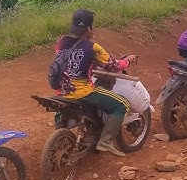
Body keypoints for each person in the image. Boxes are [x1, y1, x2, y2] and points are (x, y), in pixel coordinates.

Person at [55, 9, 135, 157]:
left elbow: (73, 63)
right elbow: (114, 66)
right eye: (93, 27)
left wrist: (91, 66)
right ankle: (106, 141)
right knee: (122, 105)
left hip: (62, 90)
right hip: (83, 92)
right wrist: (128, 60)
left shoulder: (61, 43)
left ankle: (64, 130)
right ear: (89, 29)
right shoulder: (92, 47)